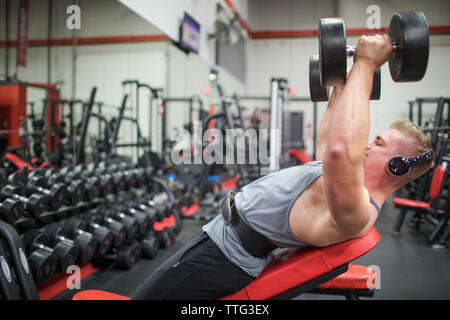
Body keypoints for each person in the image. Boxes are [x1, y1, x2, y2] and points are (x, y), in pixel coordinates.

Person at [131, 34, 434, 300]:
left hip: (221, 257)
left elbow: (341, 150)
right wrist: (343, 80)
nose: (368, 143)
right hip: (223, 245)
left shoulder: (358, 212)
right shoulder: (346, 187)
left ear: (397, 166)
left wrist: (366, 65)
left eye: (379, 143)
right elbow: (330, 142)